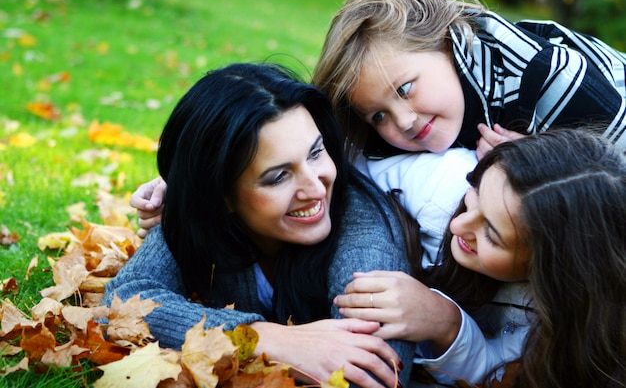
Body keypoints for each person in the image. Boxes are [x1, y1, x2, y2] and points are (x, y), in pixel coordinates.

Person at [103, 62, 419, 388]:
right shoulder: (200, 216)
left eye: (315, 153)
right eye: (278, 176)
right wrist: (266, 339)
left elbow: (376, 374)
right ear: (221, 196)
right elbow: (122, 304)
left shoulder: (364, 239)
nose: (316, 188)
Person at [334, 129, 626, 388]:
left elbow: (497, 371)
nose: (458, 226)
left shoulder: (564, 322)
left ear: (553, 268)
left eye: (492, 235)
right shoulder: (444, 182)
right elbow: (342, 164)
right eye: (474, 191)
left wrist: (446, 323)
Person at [312, 0, 626, 162]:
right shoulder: (420, 121)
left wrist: (542, 162)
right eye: (378, 116)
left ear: (448, 45)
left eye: (404, 89)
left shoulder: (547, 78)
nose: (404, 121)